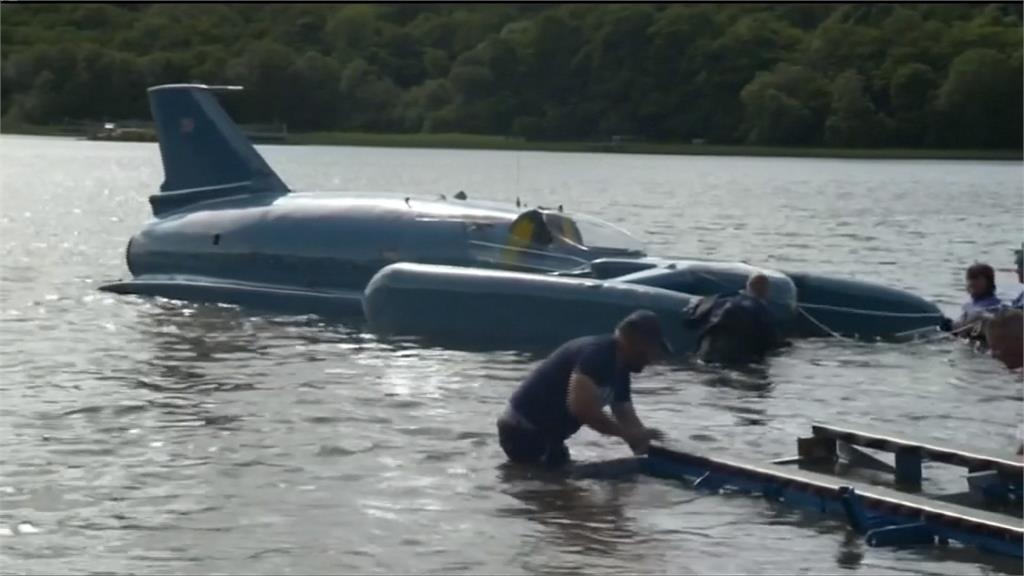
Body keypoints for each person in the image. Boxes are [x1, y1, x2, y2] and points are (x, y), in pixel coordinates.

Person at [496, 310, 671, 468]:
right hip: (522, 430)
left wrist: (651, 450)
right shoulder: (598, 354)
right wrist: (627, 434)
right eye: (650, 349)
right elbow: (582, 409)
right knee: (555, 493)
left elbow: (627, 417)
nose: (651, 359)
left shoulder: (620, 369)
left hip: (548, 436)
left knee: (563, 489)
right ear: (632, 339)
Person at [687, 273, 789, 365]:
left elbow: (692, 321)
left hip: (707, 354)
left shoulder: (719, 299)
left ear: (747, 286)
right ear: (765, 292)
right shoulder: (761, 310)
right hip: (736, 360)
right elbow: (772, 342)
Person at [952, 263, 1004, 340]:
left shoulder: (994, 304)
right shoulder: (968, 305)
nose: (971, 283)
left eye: (976, 279)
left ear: (989, 282)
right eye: (969, 279)